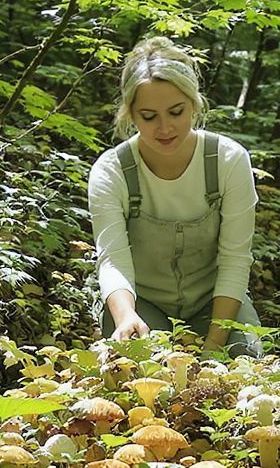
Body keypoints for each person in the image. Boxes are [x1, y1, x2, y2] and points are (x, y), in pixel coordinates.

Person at [88, 37, 260, 354]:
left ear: (194, 104)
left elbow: (235, 260)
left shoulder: (229, 160)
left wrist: (213, 347)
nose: (165, 128)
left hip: (215, 303)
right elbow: (112, 260)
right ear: (131, 114)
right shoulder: (112, 171)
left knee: (243, 363)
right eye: (149, 116)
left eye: (176, 112)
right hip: (143, 302)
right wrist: (126, 317)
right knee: (137, 362)